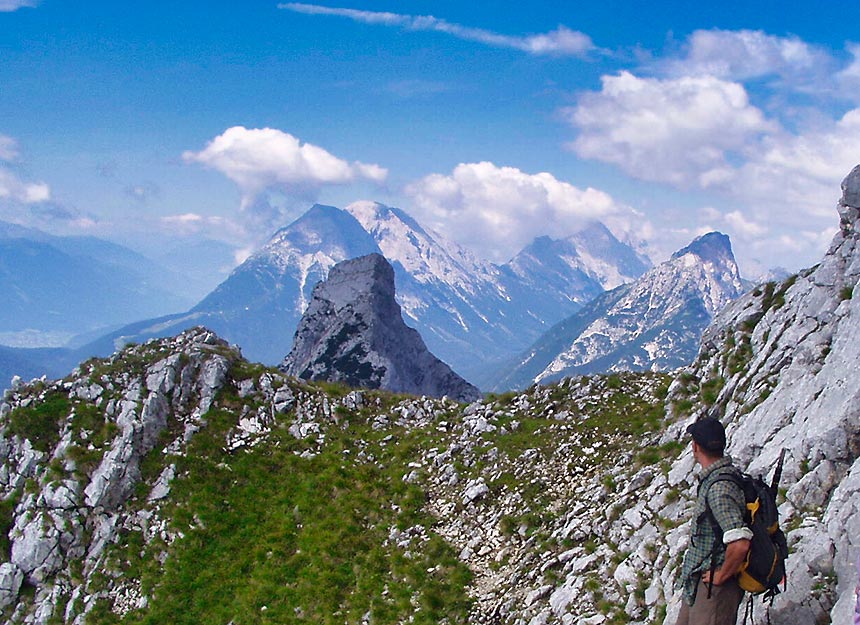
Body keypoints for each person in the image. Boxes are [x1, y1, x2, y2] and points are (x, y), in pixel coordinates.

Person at [675, 416, 753, 625]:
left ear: (695, 447)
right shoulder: (719, 478)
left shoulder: (719, 488)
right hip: (699, 583)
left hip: (714, 589)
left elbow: (740, 543)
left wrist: (720, 576)